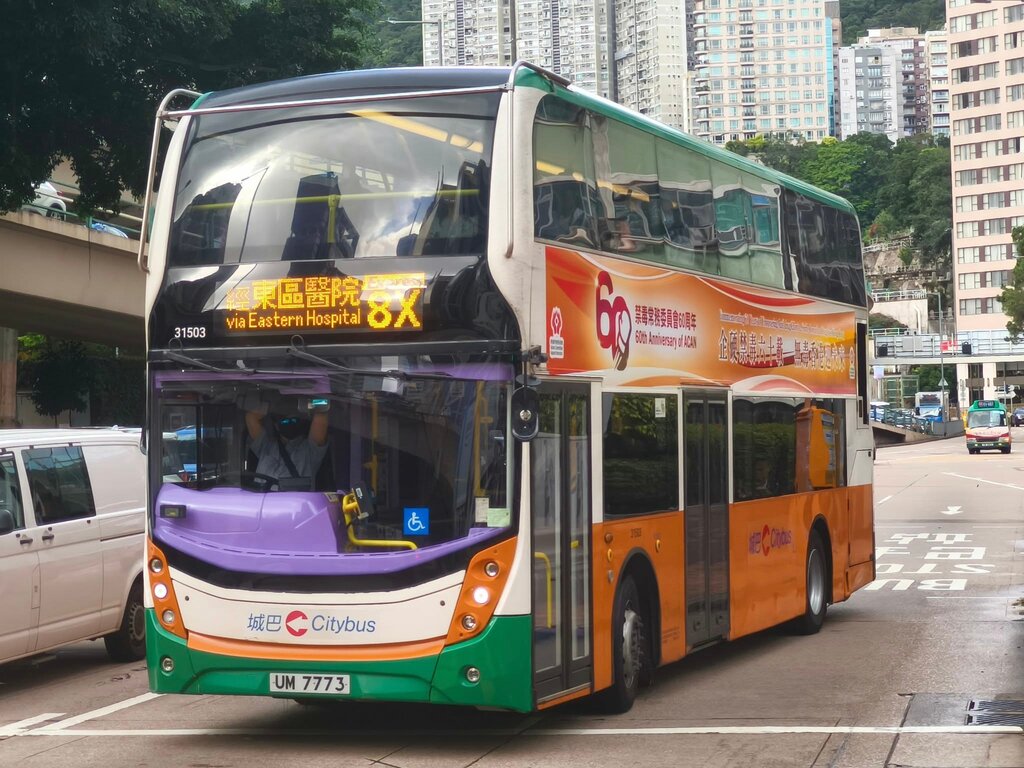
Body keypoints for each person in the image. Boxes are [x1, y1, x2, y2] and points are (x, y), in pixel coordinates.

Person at [243, 397, 330, 486]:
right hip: (260, 499)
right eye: (285, 421)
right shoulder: (265, 446)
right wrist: (271, 407)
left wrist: (305, 404)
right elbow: (251, 417)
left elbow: (321, 411)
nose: (289, 423)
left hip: (295, 500)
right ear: (276, 425)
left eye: (294, 420)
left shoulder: (310, 451)